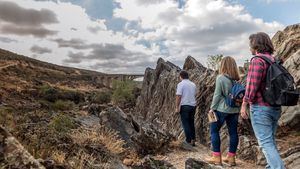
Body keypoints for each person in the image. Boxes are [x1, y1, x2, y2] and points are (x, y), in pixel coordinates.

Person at [240, 32, 285, 169]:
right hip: (275, 107)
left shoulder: (257, 60)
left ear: (255, 45)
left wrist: (244, 104)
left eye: (250, 44)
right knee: (270, 141)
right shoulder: (273, 60)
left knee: (265, 142)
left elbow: (252, 86)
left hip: (261, 107)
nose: (249, 48)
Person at [206, 56, 240, 166]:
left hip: (221, 109)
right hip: (234, 110)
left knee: (214, 131)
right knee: (233, 133)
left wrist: (212, 108)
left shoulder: (220, 78)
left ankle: (216, 158)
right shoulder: (236, 80)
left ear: (223, 65)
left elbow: (217, 95)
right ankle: (231, 158)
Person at [176, 70, 196, 146]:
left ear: (181, 76)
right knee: (191, 123)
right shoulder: (193, 84)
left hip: (185, 106)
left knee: (185, 123)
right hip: (193, 106)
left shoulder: (181, 84)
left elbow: (178, 96)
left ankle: (188, 140)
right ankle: (193, 139)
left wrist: (177, 107)